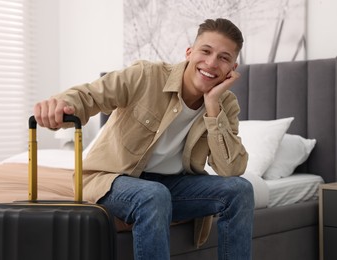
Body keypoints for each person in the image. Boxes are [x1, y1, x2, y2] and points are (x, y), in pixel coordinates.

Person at [34, 18, 254, 260]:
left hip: (171, 186)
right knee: (153, 194)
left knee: (240, 190)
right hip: (113, 179)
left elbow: (231, 168)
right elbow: (90, 95)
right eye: (206, 51)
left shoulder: (227, 104)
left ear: (232, 68)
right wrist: (61, 105)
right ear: (189, 52)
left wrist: (213, 106)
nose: (211, 63)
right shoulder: (147, 76)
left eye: (223, 58)